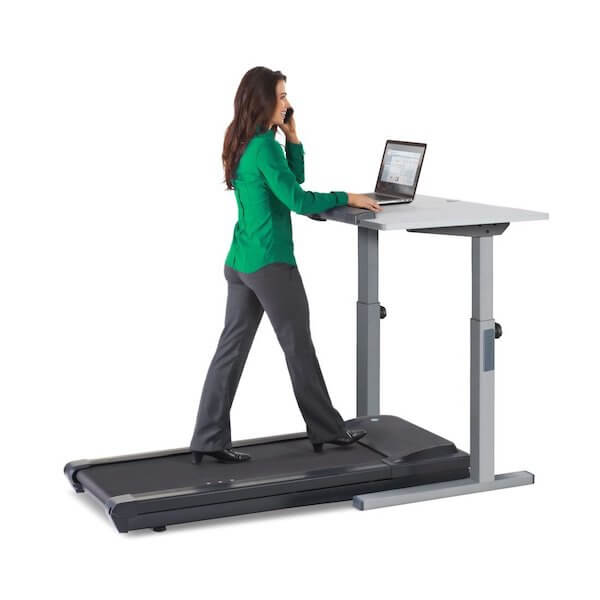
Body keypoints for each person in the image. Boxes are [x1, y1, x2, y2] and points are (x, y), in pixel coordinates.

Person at [190, 66, 382, 464]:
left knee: (230, 350)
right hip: (271, 264)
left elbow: (291, 181)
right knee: (299, 347)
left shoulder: (244, 141)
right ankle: (327, 430)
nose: (287, 104)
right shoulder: (264, 147)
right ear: (263, 102)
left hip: (241, 261)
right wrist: (347, 196)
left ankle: (208, 437)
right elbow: (297, 199)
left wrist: (292, 138)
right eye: (280, 97)